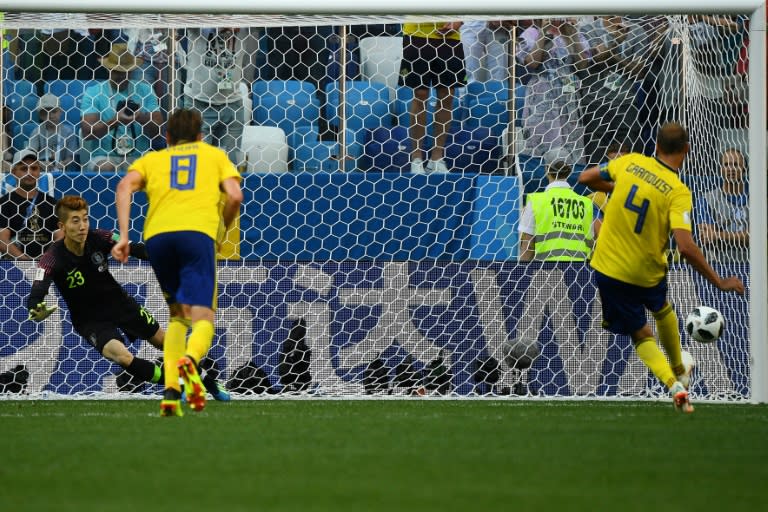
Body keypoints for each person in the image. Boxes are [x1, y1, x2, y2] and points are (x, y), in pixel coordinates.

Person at [578, 122, 745, 413]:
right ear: (687, 150)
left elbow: (585, 177)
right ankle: (679, 369)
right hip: (647, 271)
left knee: (641, 334)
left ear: (654, 146)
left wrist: (618, 188)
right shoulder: (678, 192)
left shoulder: (630, 162)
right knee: (663, 310)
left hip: (608, 267)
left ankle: (673, 385)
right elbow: (686, 247)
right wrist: (719, 281)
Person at [25, 195, 230, 399]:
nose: (82, 226)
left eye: (85, 219)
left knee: (166, 342)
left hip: (120, 305)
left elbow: (135, 248)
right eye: (75, 221)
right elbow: (37, 292)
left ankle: (207, 381)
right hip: (90, 320)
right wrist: (36, 309)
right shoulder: (51, 259)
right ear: (62, 225)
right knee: (122, 357)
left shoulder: (100, 238)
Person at [113, 108, 243, 417]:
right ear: (201, 136)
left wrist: (122, 236)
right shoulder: (213, 155)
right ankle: (190, 361)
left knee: (177, 317)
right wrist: (222, 227)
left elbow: (123, 187)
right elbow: (235, 196)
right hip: (196, 235)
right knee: (202, 318)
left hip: (157, 238)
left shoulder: (152, 160)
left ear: (167, 137)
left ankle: (171, 392)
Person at [506, 148, 600, 388]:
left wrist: (520, 279)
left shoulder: (536, 201)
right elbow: (593, 244)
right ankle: (579, 383)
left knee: (539, 337)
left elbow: (525, 247)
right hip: (581, 279)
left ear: (546, 169)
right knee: (576, 336)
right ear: (570, 171)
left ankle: (530, 382)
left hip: (544, 278)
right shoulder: (585, 204)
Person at [80, 43, 163, 172]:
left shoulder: (145, 90)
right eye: (116, 71)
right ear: (108, 69)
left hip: (139, 156)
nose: (121, 76)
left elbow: (158, 132)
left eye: (125, 72)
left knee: (148, 168)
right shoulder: (93, 92)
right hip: (104, 156)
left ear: (132, 70)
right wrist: (115, 121)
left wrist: (140, 117)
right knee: (107, 167)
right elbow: (87, 132)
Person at [516, 18, 588, 161]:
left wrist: (571, 36)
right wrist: (543, 31)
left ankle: (571, 177)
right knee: (544, 142)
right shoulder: (530, 33)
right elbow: (532, 62)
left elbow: (582, 65)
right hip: (542, 94)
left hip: (569, 95)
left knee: (571, 141)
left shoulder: (572, 32)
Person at [400, 21, 465, 174]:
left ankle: (436, 158)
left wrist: (459, 20)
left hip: (450, 36)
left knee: (447, 95)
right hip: (416, 34)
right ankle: (416, 158)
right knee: (420, 94)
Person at [181, 28, 247, 167]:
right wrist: (222, 26)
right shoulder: (200, 12)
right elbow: (187, 14)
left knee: (229, 166)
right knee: (199, 167)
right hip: (198, 103)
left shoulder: (244, 15)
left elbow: (275, 15)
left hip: (232, 105)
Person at [0, 150, 61, 260]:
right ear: (14, 172)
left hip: (45, 267)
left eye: (34, 168)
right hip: (14, 267)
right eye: (24, 169)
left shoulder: (51, 203)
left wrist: (45, 260)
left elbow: (60, 235)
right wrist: (25, 261)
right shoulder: (4, 203)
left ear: (39, 172)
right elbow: (2, 239)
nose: (29, 173)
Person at [696, 147, 749, 263]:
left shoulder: (756, 199)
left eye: (736, 164)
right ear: (720, 169)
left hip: (752, 264)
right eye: (726, 165)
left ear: (744, 168)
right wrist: (743, 236)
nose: (731, 169)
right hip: (718, 264)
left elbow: (757, 236)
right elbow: (707, 237)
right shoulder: (707, 199)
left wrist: (717, 235)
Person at [26, 93, 78, 171]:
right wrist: (39, 163)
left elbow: (71, 157)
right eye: (45, 113)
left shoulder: (68, 132)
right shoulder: (37, 131)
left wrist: (64, 163)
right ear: (40, 115)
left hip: (62, 170)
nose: (50, 115)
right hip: (41, 170)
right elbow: (30, 154)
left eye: (54, 111)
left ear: (60, 111)